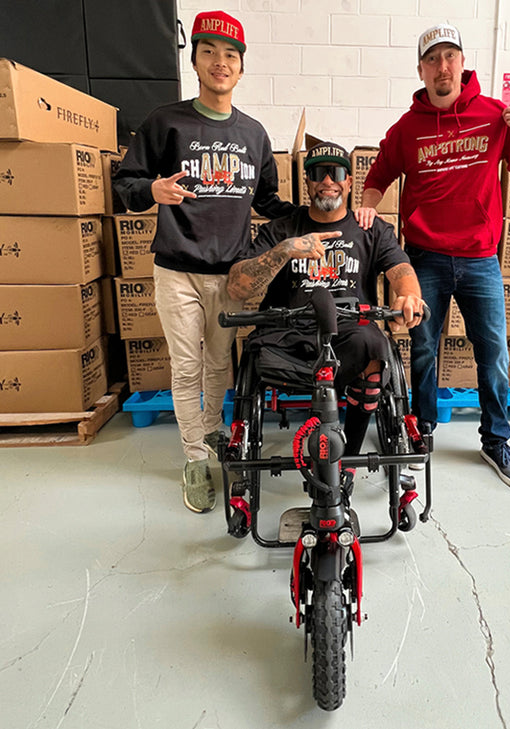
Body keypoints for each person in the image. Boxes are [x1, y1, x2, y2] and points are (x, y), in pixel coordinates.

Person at [113, 10, 303, 513]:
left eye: (231, 55)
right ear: (195, 60)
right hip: (176, 268)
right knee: (186, 365)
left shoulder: (255, 135)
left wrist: (311, 218)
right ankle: (194, 456)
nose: (221, 63)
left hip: (230, 274)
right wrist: (150, 189)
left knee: (220, 361)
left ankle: (216, 434)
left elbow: (267, 202)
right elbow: (121, 184)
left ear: (242, 69)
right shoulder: (165, 122)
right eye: (209, 52)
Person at [356, 22, 510, 491]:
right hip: (423, 258)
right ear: (421, 69)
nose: (443, 67)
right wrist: (365, 204)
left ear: (462, 63)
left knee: (494, 354)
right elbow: (378, 174)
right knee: (422, 350)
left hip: (481, 258)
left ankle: (496, 441)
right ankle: (419, 432)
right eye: (433, 59)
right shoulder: (407, 129)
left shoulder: (494, 115)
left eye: (451, 57)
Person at [227, 143, 426, 452]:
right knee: (258, 353)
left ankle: (349, 454)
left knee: (375, 343)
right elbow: (237, 288)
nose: (328, 181)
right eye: (319, 173)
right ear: (307, 181)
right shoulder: (280, 230)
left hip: (349, 334)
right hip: (286, 333)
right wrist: (285, 250)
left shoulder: (370, 229)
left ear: (349, 182)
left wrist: (410, 296)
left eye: (337, 173)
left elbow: (400, 269)